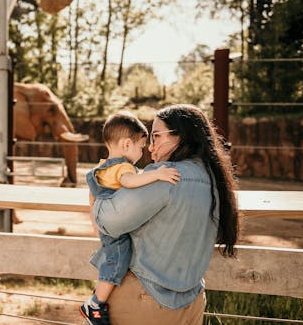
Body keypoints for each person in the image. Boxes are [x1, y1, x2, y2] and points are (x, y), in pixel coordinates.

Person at [89, 104, 239, 325]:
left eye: (157, 136)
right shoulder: (214, 180)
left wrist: (97, 188)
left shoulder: (165, 177)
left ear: (182, 136)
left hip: (146, 301)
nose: (150, 147)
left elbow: (107, 222)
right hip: (192, 302)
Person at [80, 111, 181, 325]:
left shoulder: (101, 167)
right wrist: (157, 174)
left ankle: (99, 298)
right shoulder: (123, 168)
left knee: (111, 258)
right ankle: (95, 303)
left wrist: (94, 222)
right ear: (126, 145)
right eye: (140, 147)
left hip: (107, 224)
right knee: (118, 262)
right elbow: (128, 182)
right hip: (116, 228)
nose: (143, 151)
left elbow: (92, 195)